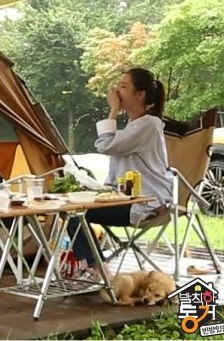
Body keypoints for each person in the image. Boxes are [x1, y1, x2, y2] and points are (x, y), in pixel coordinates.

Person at [66, 69, 172, 273]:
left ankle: (96, 267)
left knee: (73, 213)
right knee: (72, 206)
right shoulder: (135, 125)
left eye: (123, 86)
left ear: (140, 95)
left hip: (144, 203)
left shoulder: (148, 125)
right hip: (126, 198)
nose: (117, 91)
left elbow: (105, 145)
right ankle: (94, 264)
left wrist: (113, 110)